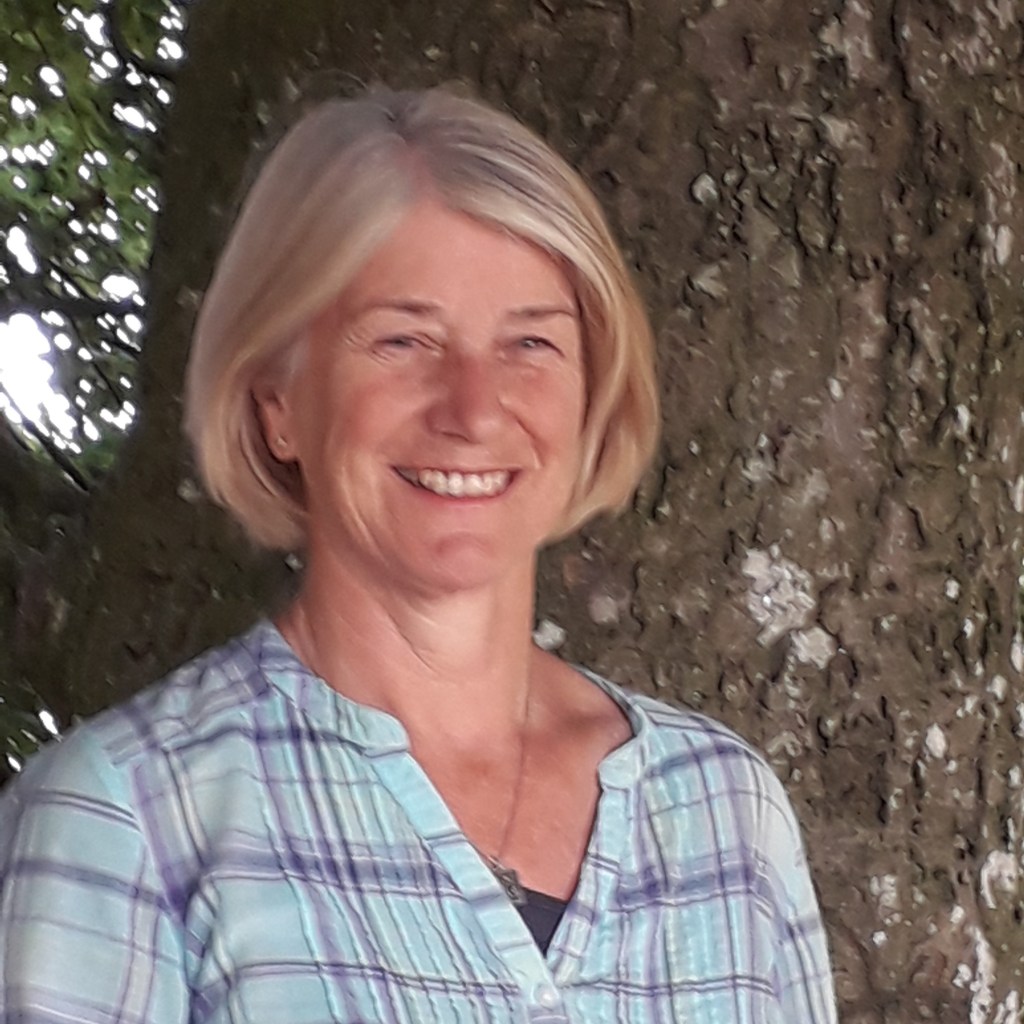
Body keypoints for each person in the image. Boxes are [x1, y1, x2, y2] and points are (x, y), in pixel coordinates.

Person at [0, 86, 837, 1023]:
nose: (474, 410)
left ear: (592, 392)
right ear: (278, 401)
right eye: (402, 340)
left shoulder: (724, 807)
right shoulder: (128, 818)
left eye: (531, 343)